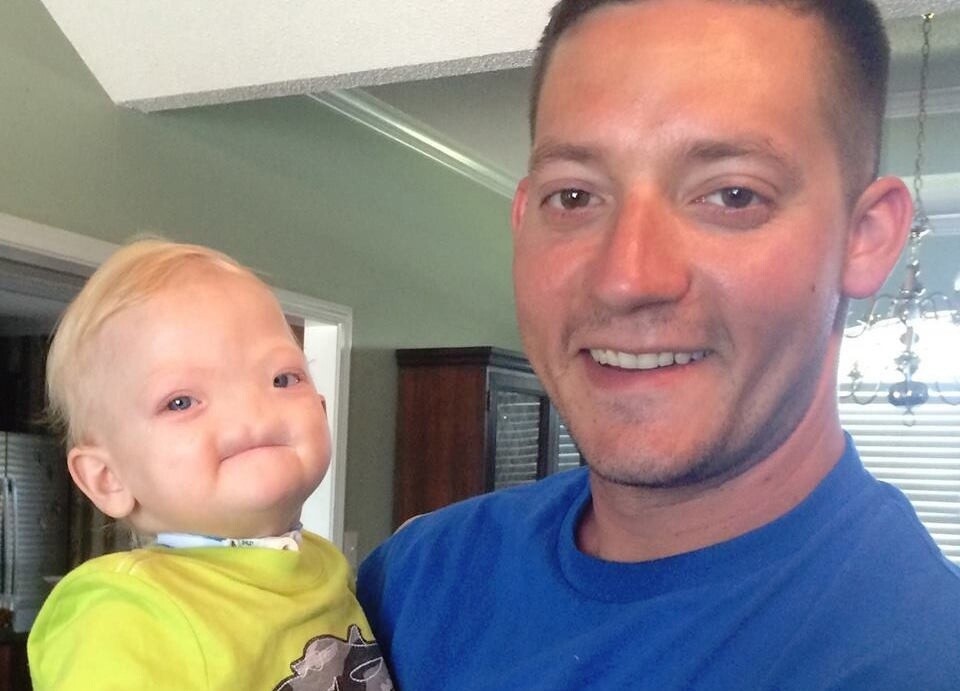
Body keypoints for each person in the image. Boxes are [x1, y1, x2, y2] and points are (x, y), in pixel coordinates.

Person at [357, 0, 960, 688]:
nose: (626, 278)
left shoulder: (920, 657)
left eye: (733, 195)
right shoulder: (412, 581)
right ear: (523, 221)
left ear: (865, 238)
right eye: (574, 197)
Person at [28, 240, 393, 690]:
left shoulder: (324, 564)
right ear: (109, 478)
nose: (251, 409)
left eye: (282, 378)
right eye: (181, 401)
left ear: (321, 408)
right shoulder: (124, 613)